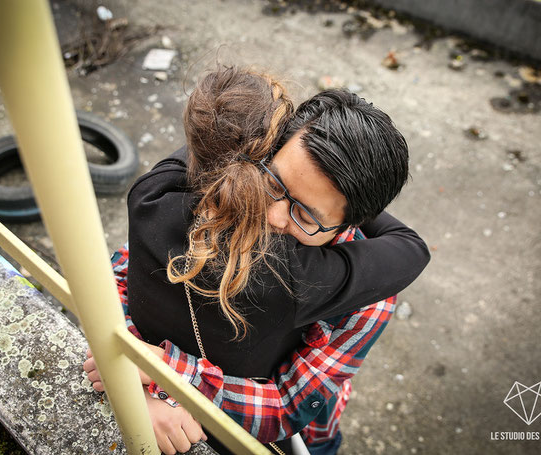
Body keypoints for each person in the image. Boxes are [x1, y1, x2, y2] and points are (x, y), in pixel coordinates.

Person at [85, 66, 430, 454]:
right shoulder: (230, 183)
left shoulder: (372, 295)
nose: (271, 216)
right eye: (274, 183)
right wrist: (134, 366)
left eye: (305, 215)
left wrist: (163, 372)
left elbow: (285, 407)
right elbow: (127, 268)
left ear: (350, 224)